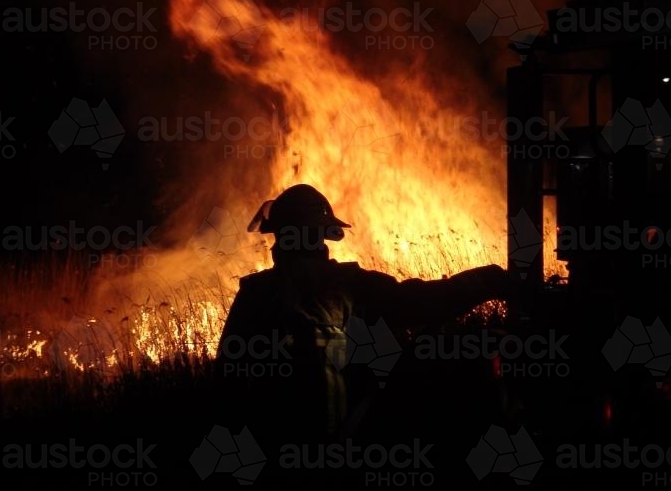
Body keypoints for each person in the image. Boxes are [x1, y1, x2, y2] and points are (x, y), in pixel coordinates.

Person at [214, 183, 511, 444]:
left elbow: (227, 383)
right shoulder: (349, 284)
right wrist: (489, 279)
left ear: (278, 236)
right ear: (323, 235)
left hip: (276, 457)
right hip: (348, 447)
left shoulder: (255, 293)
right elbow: (423, 301)